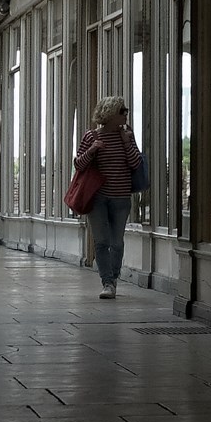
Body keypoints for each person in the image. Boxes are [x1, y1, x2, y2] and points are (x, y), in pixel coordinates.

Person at [74, 96, 141, 299]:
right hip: (98, 198)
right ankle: (108, 283)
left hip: (121, 198)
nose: (126, 114)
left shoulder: (127, 135)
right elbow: (78, 164)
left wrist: (127, 143)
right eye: (123, 111)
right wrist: (93, 149)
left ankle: (114, 277)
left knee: (117, 242)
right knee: (102, 241)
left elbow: (136, 163)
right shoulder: (91, 136)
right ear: (111, 114)